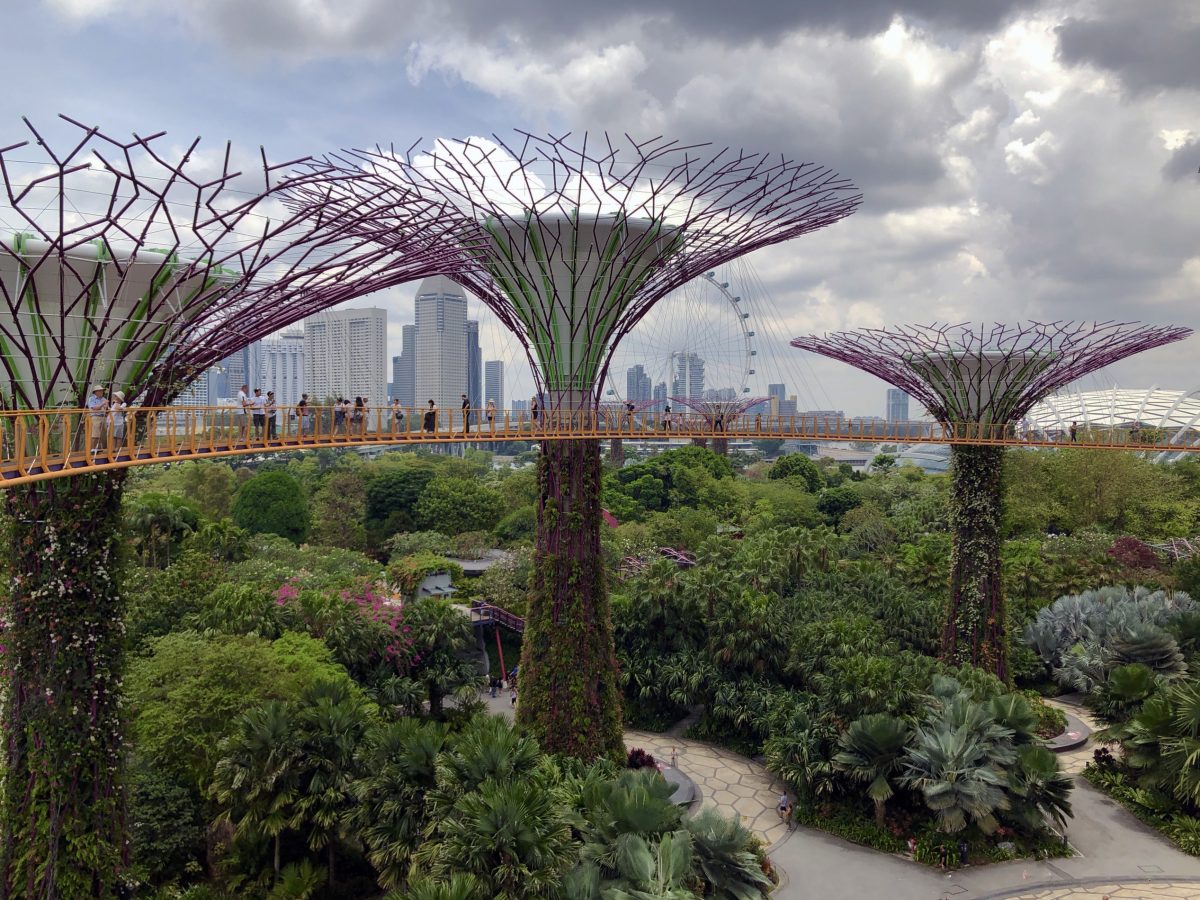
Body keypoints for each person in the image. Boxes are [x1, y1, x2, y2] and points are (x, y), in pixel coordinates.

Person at [87, 385, 109, 455]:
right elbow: (94, 408)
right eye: (100, 391)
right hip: (95, 416)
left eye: (102, 391)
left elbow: (107, 408)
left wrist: (106, 406)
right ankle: (93, 448)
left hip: (104, 417)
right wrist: (103, 404)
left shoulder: (104, 399)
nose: (102, 392)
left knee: (104, 433)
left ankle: (100, 448)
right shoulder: (91, 399)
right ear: (96, 392)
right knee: (95, 433)